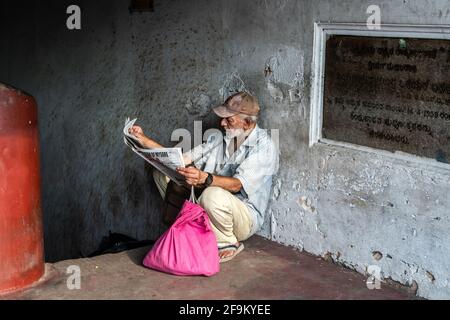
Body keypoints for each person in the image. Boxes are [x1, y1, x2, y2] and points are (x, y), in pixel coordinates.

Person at [129, 92, 278, 262]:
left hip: (244, 218)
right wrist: (142, 139)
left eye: (228, 119)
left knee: (211, 194)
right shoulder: (218, 139)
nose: (222, 123)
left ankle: (228, 241)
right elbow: (178, 160)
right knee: (162, 174)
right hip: (212, 207)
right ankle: (191, 227)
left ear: (246, 123)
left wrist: (205, 178)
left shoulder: (264, 146)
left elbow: (237, 185)